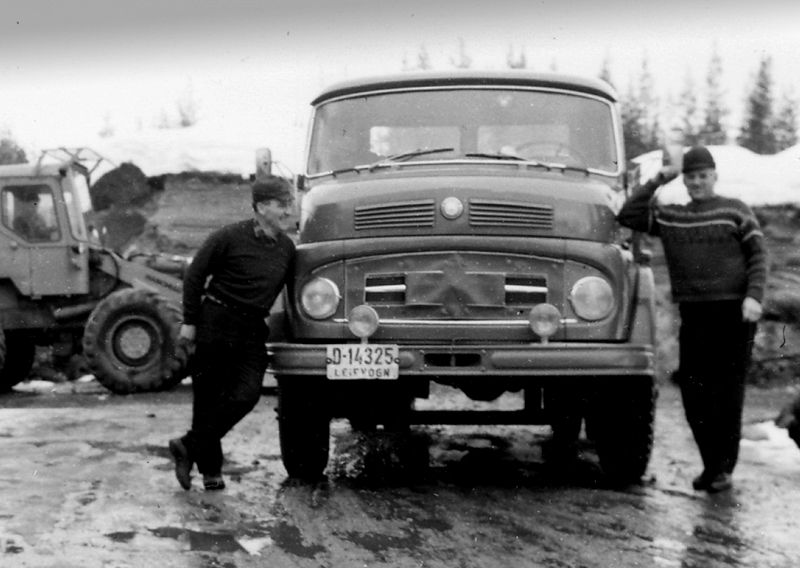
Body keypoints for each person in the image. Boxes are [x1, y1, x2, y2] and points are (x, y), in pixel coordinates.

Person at [617, 145, 767, 493]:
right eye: (691, 177)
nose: (697, 182)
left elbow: (759, 255)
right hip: (694, 312)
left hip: (735, 311)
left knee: (728, 394)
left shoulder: (736, 210)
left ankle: (721, 469)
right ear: (683, 180)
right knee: (695, 393)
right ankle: (712, 464)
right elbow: (629, 214)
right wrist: (660, 178)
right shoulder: (673, 217)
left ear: (714, 176)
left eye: (703, 176)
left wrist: (754, 296)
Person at [169, 175, 297, 491]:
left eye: (290, 204)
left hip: (253, 328)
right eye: (282, 204)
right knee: (208, 399)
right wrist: (190, 321)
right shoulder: (228, 237)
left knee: (247, 395)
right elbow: (195, 275)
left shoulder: (288, 248)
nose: (289, 211)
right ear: (262, 207)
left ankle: (188, 445)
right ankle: (211, 472)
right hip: (216, 320)